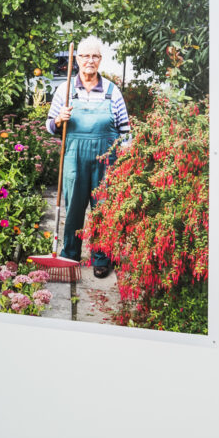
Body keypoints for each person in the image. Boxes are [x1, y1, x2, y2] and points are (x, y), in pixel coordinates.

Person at [46, 37, 131, 279]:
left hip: (106, 160)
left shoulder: (113, 92)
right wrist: (59, 119)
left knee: (103, 208)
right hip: (73, 159)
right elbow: (50, 125)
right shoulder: (65, 91)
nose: (89, 61)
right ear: (77, 59)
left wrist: (125, 161)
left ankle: (101, 258)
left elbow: (125, 130)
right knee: (73, 208)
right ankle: (70, 253)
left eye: (94, 56)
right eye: (84, 56)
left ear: (100, 60)